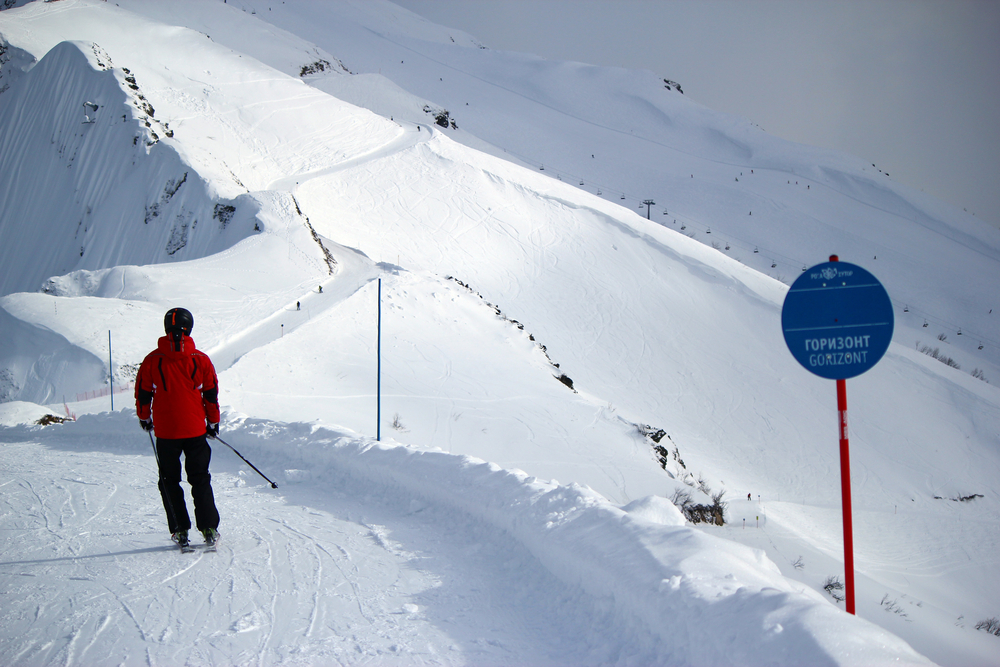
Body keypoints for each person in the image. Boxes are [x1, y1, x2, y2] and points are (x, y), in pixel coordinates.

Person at [135, 307, 221, 548]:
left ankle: (179, 529)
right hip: (195, 430)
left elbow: (143, 393)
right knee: (200, 479)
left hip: (166, 432)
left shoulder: (152, 360)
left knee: (169, 480)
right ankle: (209, 528)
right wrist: (213, 422)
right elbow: (210, 393)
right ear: (189, 327)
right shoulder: (201, 359)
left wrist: (144, 418)